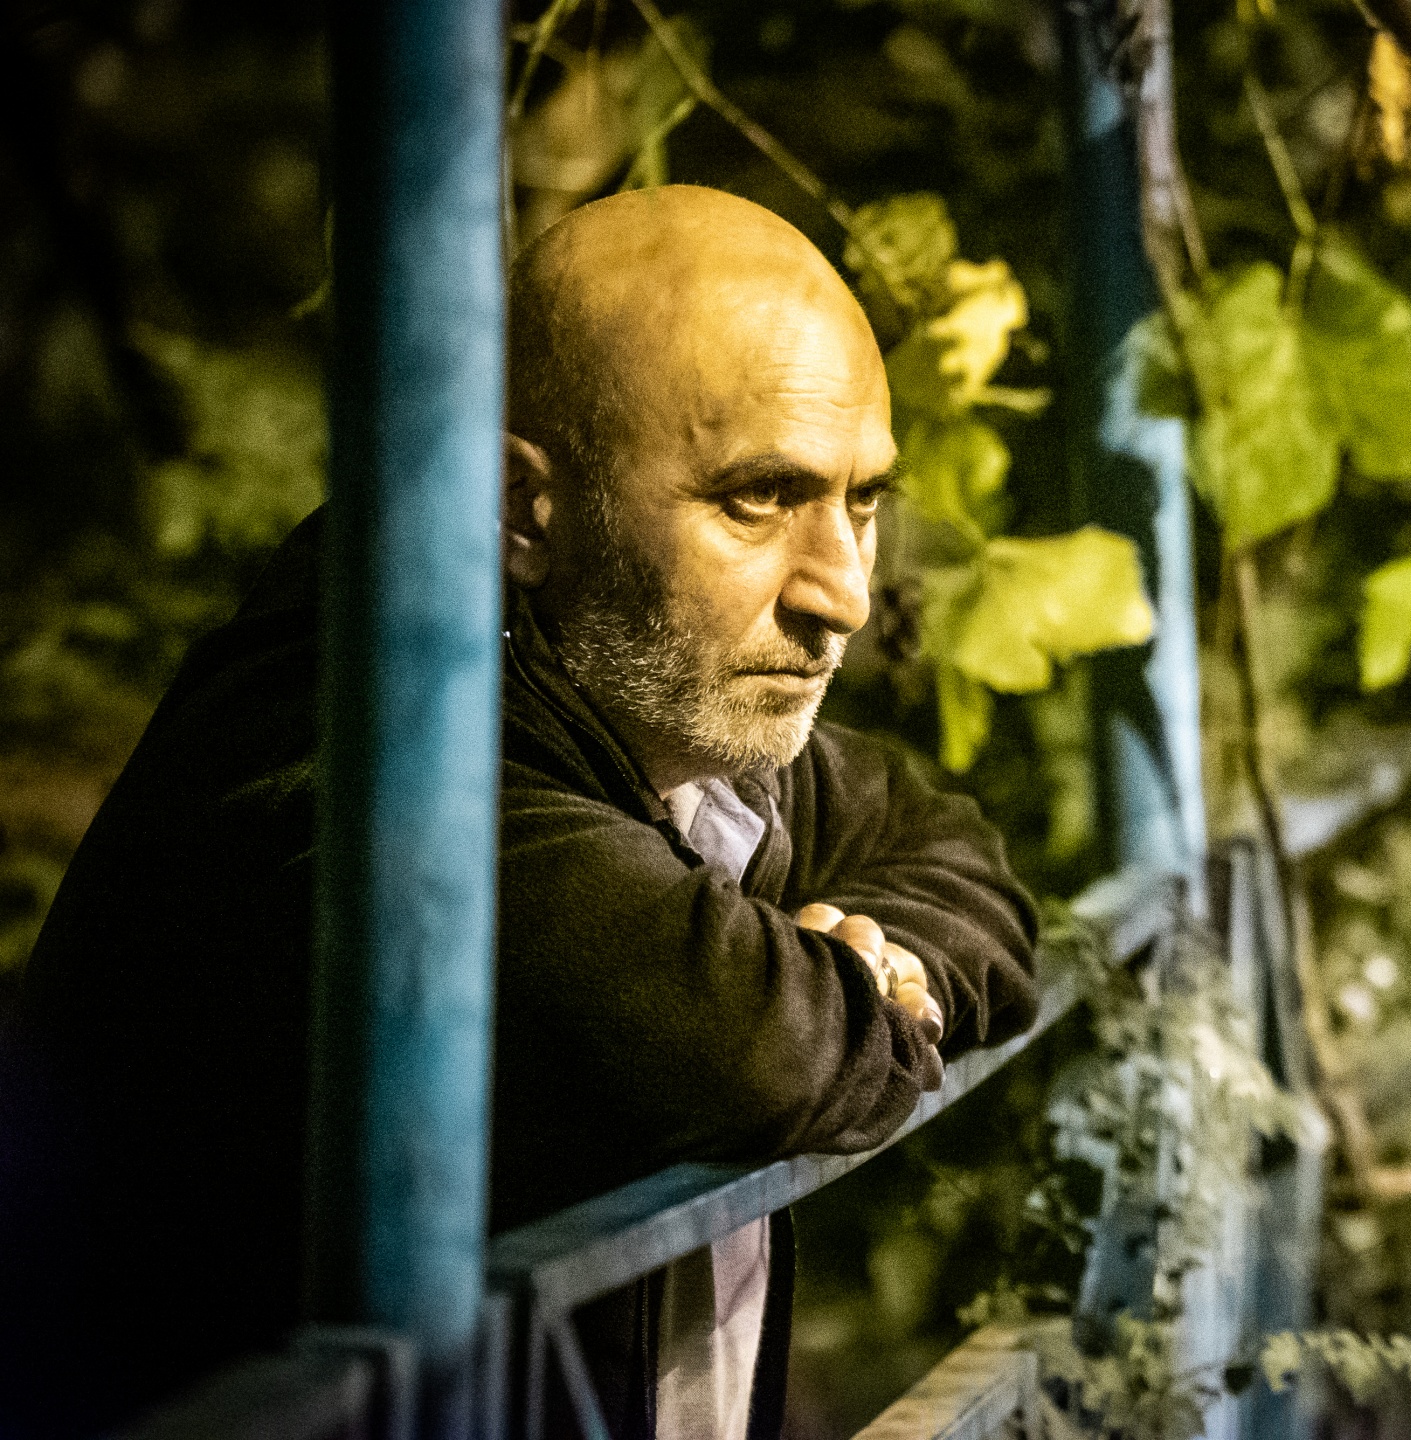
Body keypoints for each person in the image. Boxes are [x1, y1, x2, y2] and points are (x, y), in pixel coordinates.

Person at [6, 185, 1039, 1440]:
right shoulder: (366, 743)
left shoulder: (634, 699)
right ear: (522, 506)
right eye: (758, 499)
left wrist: (885, 965)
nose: (843, 595)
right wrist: (850, 995)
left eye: (861, 501)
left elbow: (953, 854)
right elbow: (756, 1043)